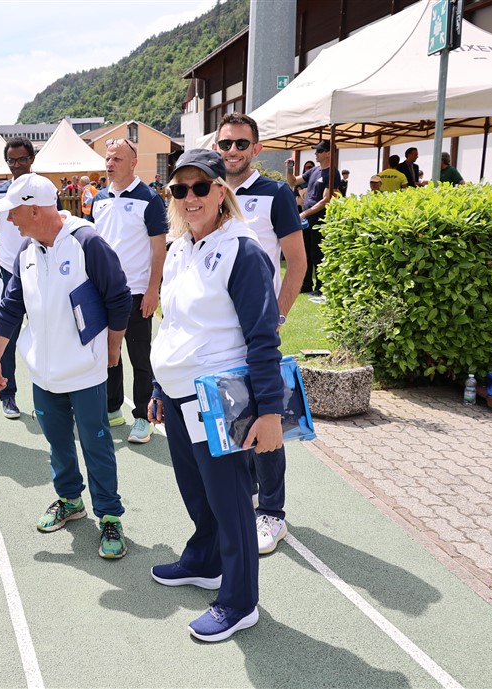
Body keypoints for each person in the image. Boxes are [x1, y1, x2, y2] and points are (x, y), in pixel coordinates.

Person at [147, 148, 283, 642]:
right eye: (179, 189)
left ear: (221, 192)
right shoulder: (180, 247)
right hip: (179, 394)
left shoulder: (243, 250)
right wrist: (159, 386)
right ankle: (205, 560)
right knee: (196, 491)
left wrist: (269, 412)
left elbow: (263, 337)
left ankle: (240, 601)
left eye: (200, 187)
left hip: (219, 398)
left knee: (231, 503)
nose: (190, 197)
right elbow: (174, 323)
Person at [0, 173, 132, 559]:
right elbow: (11, 308)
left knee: (96, 444)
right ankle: (70, 500)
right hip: (43, 373)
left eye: (14, 212)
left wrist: (112, 350)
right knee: (57, 442)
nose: (9, 219)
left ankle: (110, 516)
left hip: (85, 371)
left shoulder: (87, 242)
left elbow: (119, 298)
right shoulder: (26, 251)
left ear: (35, 210)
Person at [214, 113, 304, 555]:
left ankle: (272, 512)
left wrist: (277, 317)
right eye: (226, 144)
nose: (233, 151)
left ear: (256, 148)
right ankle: (251, 494)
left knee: (267, 418)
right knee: (235, 418)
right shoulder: (209, 190)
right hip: (219, 332)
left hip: (257, 332)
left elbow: (297, 264)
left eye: (241, 144)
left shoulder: (275, 193)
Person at [90, 138, 168, 443]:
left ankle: (143, 418)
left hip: (136, 292)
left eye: (117, 159)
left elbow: (158, 248)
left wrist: (152, 289)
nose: (110, 164)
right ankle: (113, 408)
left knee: (140, 357)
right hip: (102, 292)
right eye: (108, 159)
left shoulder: (149, 199)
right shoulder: (98, 199)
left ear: (133, 163)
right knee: (109, 354)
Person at [0, 137, 36, 419]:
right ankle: (8, 395)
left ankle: (52, 396)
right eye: (11, 160)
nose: (17, 165)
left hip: (40, 271)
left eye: (22, 159)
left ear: (32, 159)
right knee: (8, 337)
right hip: (8, 274)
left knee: (47, 333)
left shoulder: (43, 189)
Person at [286, 140, 341, 293]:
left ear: (329, 153)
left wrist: (305, 213)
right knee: (305, 252)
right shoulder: (314, 171)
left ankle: (320, 287)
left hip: (319, 219)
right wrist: (289, 169)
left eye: (319, 151)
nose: (315, 153)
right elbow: (293, 181)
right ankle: (306, 285)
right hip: (306, 219)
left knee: (317, 253)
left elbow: (326, 199)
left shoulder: (333, 173)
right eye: (316, 150)